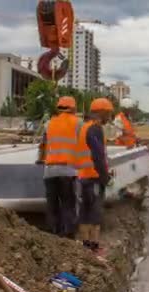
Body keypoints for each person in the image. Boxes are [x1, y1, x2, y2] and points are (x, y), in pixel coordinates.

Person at [37, 96, 81, 238]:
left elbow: (43, 146)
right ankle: (68, 238)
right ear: (73, 108)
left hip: (49, 171)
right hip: (68, 171)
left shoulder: (49, 123)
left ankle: (53, 238)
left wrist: (40, 160)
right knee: (68, 204)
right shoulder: (78, 123)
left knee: (52, 206)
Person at [76, 98, 113, 253]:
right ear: (101, 112)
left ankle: (85, 245)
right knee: (95, 212)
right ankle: (95, 246)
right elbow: (97, 156)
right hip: (94, 176)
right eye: (108, 114)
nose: (109, 118)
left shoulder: (85, 127)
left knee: (85, 211)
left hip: (83, 175)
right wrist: (105, 177)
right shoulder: (95, 129)